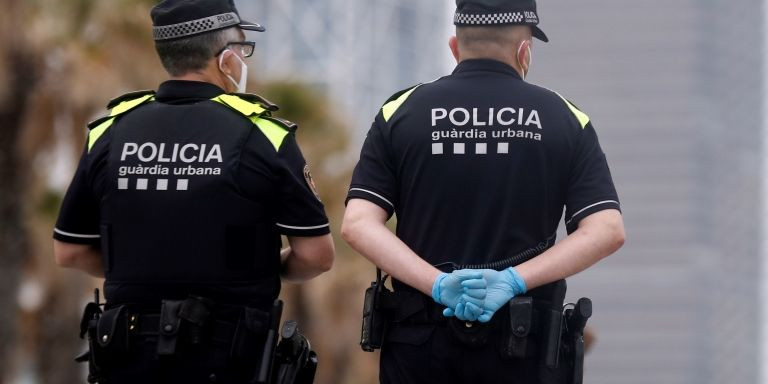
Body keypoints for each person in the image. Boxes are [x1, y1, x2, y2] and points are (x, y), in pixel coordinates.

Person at [341, 0, 625, 382]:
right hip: (524, 349)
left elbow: (358, 224)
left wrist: (437, 284)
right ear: (524, 50)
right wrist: (514, 280)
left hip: (418, 349)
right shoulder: (564, 118)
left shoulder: (400, 112)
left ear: (455, 47)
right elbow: (606, 230)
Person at [52, 0, 334, 382]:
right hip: (229, 359)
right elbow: (316, 255)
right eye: (241, 46)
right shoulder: (263, 135)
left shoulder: (109, 132)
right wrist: (250, 268)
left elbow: (68, 249)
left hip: (126, 357)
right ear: (224, 59)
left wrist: (146, 268)